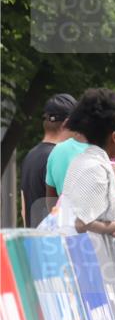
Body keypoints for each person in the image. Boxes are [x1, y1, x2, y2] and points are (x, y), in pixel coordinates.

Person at [59, 88, 115, 250]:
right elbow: (82, 223)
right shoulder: (96, 168)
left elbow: (95, 216)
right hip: (87, 261)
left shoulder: (86, 161)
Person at [20, 93, 76, 227]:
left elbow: (23, 211)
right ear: (67, 123)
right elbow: (70, 211)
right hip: (55, 243)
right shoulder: (59, 157)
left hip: (34, 241)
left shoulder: (30, 156)